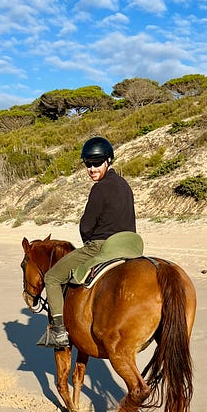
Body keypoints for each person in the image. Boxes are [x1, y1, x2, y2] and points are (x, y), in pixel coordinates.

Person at [38, 136, 136, 348]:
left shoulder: (99, 189)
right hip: (131, 247)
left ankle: (59, 332)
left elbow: (86, 226)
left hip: (102, 246)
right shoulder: (125, 185)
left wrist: (88, 242)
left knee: (52, 277)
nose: (92, 169)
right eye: (88, 164)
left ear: (108, 161)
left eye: (97, 163)